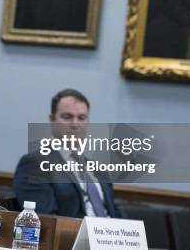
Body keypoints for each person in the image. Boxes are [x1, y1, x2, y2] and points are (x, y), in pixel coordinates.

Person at [13, 89, 120, 218]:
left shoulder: (98, 169)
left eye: (82, 118)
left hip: (110, 236)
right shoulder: (34, 164)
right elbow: (46, 220)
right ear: (52, 119)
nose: (75, 124)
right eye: (67, 117)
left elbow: (114, 213)